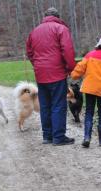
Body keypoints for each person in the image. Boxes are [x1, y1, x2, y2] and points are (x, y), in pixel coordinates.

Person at [26, 7, 76, 145]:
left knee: (45, 105)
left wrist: (37, 65)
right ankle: (58, 137)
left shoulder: (34, 31)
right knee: (58, 104)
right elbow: (68, 50)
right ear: (57, 17)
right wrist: (71, 67)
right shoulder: (61, 29)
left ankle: (47, 136)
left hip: (40, 74)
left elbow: (29, 52)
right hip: (57, 73)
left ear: (45, 16)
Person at [71, 34, 101, 148]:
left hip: (89, 88)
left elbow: (79, 69)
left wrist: (74, 75)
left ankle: (87, 137)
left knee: (89, 112)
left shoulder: (90, 55)